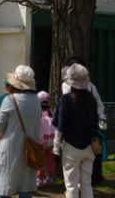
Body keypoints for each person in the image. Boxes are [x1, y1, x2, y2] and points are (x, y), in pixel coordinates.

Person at [0, 65, 41, 198]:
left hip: (10, 147)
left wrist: (1, 141)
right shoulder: (36, 100)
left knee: (2, 186)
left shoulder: (10, 100)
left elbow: (0, 125)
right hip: (30, 149)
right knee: (25, 186)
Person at [53, 63, 98, 198]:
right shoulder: (92, 99)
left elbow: (60, 125)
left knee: (71, 186)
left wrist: (56, 146)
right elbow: (95, 123)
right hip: (89, 147)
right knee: (86, 184)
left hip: (71, 148)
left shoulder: (66, 100)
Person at [61, 56, 107, 186]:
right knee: (92, 152)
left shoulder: (66, 86)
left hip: (75, 127)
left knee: (74, 158)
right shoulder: (91, 86)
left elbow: (66, 106)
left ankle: (79, 184)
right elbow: (100, 106)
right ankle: (92, 181)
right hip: (92, 125)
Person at [36, 91, 56, 187]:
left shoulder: (38, 115)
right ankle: (51, 178)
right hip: (52, 142)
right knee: (51, 160)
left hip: (41, 143)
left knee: (41, 161)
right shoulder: (53, 114)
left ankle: (39, 179)